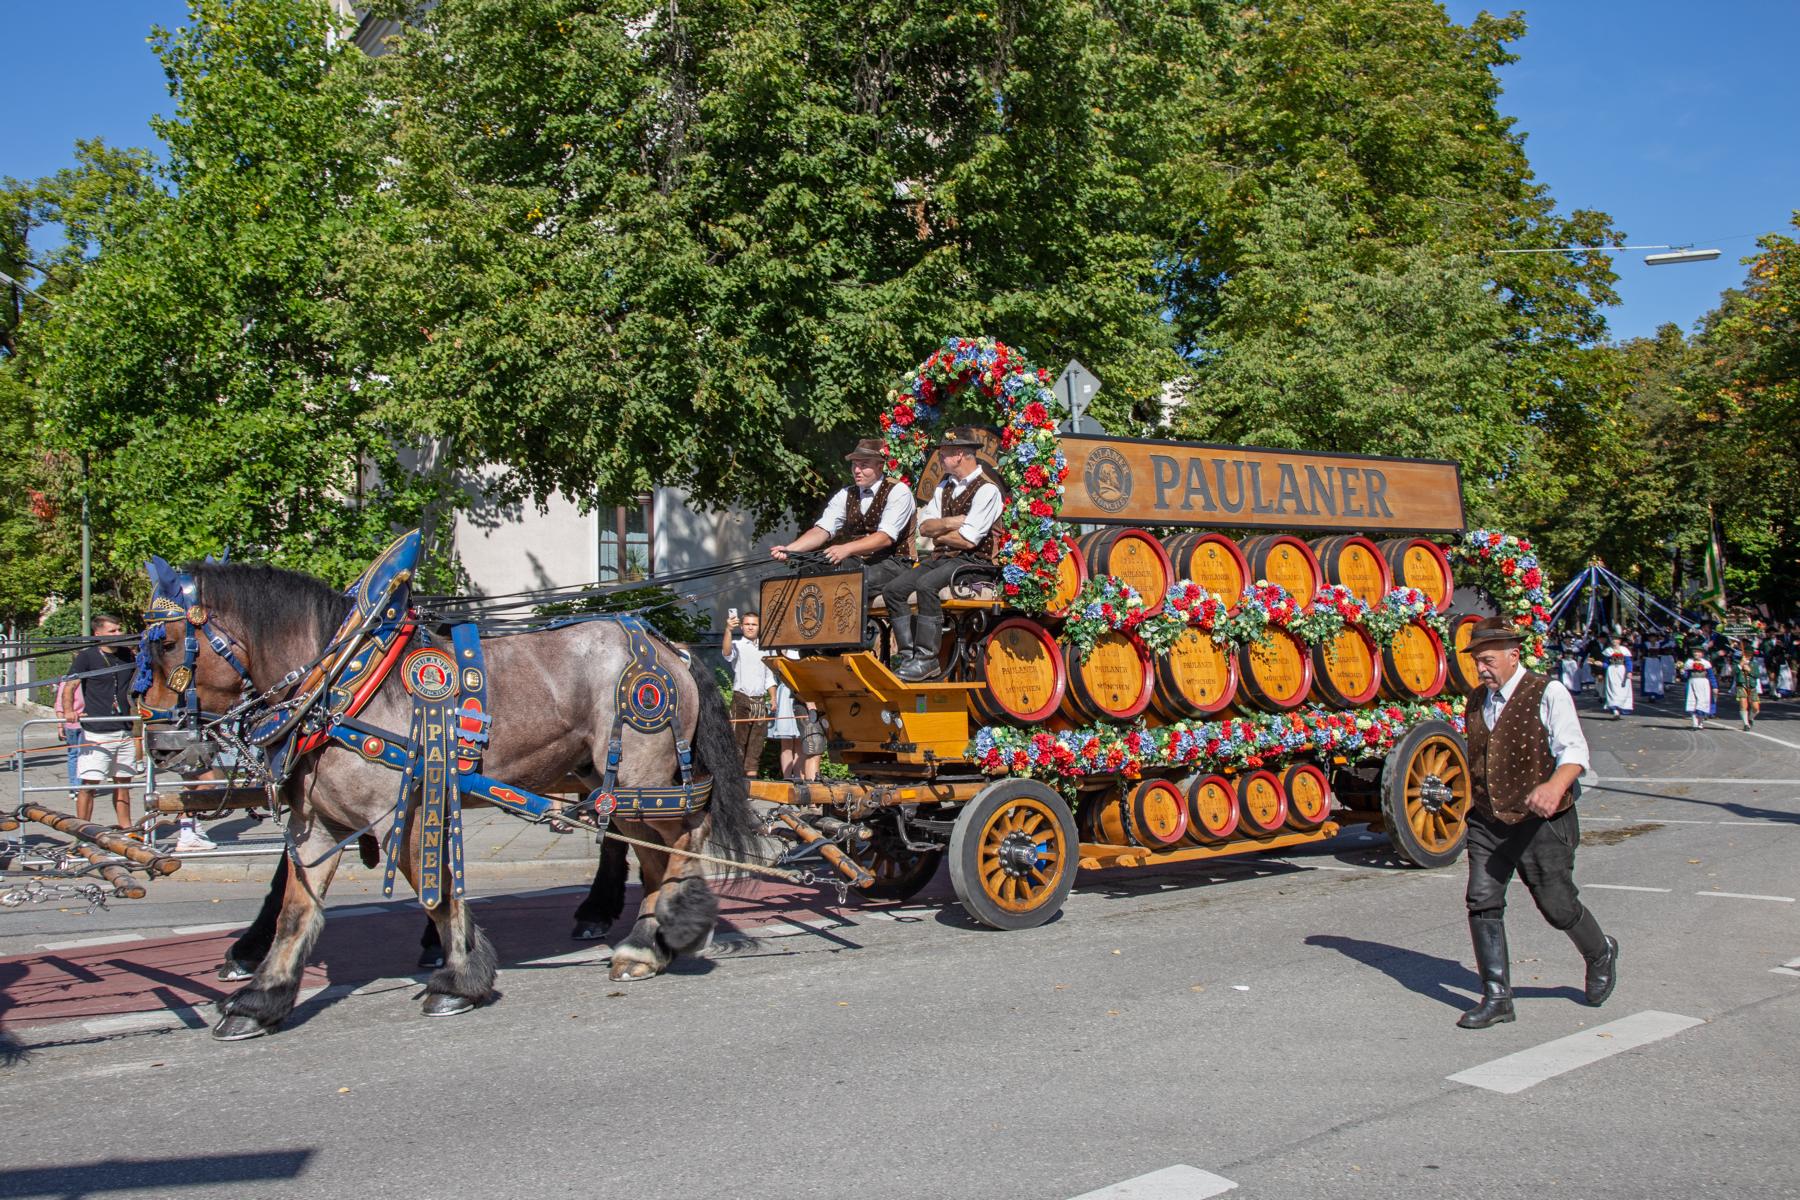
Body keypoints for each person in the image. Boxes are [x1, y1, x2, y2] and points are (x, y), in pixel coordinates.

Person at [1457, 616, 1618, 1030]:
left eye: (1488, 660)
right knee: (1482, 899)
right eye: (1477, 661)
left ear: (1514, 656)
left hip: (1542, 822)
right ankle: (1497, 997)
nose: (1481, 669)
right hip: (1489, 821)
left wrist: (1553, 786)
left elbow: (1574, 750)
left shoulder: (1549, 692)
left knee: (1557, 906)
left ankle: (1599, 952)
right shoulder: (1477, 701)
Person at [880, 427, 1004, 682]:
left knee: (927, 585)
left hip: (975, 563)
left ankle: (927, 660)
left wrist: (942, 531)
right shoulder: (944, 486)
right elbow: (924, 527)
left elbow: (969, 541)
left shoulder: (987, 490)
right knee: (893, 590)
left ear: (959, 454)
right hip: (943, 560)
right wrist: (955, 522)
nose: (939, 457)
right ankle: (908, 657)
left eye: (944, 453)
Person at [770, 437, 917, 595]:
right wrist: (790, 550)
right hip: (859, 561)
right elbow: (822, 530)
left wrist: (846, 548)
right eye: (854, 465)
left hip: (895, 562)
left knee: (848, 584)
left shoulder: (898, 491)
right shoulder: (846, 494)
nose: (857, 470)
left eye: (864, 465)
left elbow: (885, 537)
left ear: (880, 466)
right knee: (811, 566)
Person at [64, 614, 139, 830]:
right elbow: (70, 686)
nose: (118, 634)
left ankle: (126, 828)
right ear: (99, 634)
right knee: (89, 785)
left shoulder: (127, 655)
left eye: (118, 630)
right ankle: (83, 829)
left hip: (124, 729)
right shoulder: (87, 656)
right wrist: (69, 711)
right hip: (97, 731)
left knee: (123, 784)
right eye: (112, 631)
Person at [722, 609, 775, 777]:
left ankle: (751, 788)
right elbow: (727, 653)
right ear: (742, 626)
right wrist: (728, 630)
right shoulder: (737, 644)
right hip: (741, 699)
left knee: (756, 745)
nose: (750, 627)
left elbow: (769, 676)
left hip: (760, 700)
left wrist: (773, 697)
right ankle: (735, 784)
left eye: (754, 624)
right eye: (747, 624)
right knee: (737, 743)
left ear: (759, 627)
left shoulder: (765, 648)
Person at [52, 669, 84, 801]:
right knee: (76, 754)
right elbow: (60, 704)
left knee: (76, 754)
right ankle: (76, 787)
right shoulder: (74, 680)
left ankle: (77, 787)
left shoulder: (67, 680)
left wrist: (60, 724)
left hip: (83, 722)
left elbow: (59, 704)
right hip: (75, 723)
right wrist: (60, 725)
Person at [1601, 632, 1634, 719]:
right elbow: (1606, 663)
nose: (1614, 641)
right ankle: (1615, 710)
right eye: (1612, 639)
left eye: (1616, 639)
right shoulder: (1608, 651)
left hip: (1622, 671)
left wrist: (1629, 672)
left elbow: (1628, 662)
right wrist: (1600, 664)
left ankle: (1621, 707)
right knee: (1612, 689)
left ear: (1619, 640)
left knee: (1622, 689)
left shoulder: (1624, 650)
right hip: (1611, 671)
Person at [1680, 646, 1714, 730]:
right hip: (1692, 682)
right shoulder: (1689, 662)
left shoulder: (1706, 663)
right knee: (1693, 703)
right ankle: (1695, 724)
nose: (1696, 653)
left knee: (1702, 702)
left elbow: (1711, 675)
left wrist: (1714, 686)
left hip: (1703, 684)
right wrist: (1682, 672)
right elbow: (1686, 676)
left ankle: (1701, 723)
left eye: (1698, 652)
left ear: (1702, 654)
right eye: (1695, 652)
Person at [1734, 645, 1765, 730]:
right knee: (1743, 704)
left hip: (1752, 686)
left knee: (1756, 708)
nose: (1749, 656)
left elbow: (1757, 675)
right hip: (1741, 685)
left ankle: (1750, 718)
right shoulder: (1737, 662)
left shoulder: (1754, 664)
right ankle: (1746, 724)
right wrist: (1741, 664)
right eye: (1747, 654)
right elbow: (1734, 672)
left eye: (1750, 654)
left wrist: (1749, 670)